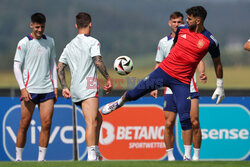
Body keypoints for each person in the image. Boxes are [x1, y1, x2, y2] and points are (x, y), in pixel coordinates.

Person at [101, 5, 225, 160]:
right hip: (163, 73)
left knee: (185, 117)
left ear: (198, 20)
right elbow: (176, 48)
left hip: (182, 82)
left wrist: (220, 85)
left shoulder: (210, 41)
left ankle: (188, 157)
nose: (186, 21)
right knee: (134, 94)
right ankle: (118, 103)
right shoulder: (182, 30)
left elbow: (218, 63)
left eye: (189, 18)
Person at [150, 11, 207, 161]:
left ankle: (192, 156)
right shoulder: (163, 42)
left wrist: (202, 72)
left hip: (189, 86)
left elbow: (200, 60)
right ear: (170, 23)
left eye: (179, 22)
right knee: (168, 123)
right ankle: (170, 158)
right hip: (170, 89)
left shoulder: (192, 38)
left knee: (193, 121)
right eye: (174, 22)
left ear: (183, 23)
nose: (176, 24)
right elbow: (159, 64)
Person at [57, 12, 112, 161]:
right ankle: (91, 157)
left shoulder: (69, 45)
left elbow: (60, 67)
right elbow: (98, 62)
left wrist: (64, 86)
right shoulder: (93, 41)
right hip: (88, 87)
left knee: (98, 119)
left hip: (75, 89)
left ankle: (96, 151)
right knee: (92, 122)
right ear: (90, 24)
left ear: (76, 26)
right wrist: (107, 78)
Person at [13, 13, 58, 161]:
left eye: (42, 27)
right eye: (37, 27)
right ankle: (18, 159)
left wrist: (55, 87)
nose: (40, 30)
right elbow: (16, 66)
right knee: (24, 125)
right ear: (31, 25)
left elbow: (53, 64)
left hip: (47, 90)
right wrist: (22, 88)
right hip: (29, 91)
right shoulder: (24, 43)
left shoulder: (50, 41)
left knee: (47, 124)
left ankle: (41, 160)